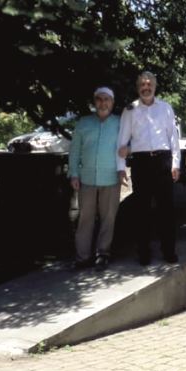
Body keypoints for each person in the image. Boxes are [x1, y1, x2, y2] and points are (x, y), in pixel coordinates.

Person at [117, 71, 180, 265]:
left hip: (163, 161)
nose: (146, 88)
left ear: (154, 86)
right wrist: (120, 168)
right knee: (141, 210)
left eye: (149, 84)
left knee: (166, 209)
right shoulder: (130, 110)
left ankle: (169, 251)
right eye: (142, 85)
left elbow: (173, 137)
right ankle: (143, 253)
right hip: (141, 162)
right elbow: (122, 141)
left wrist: (176, 163)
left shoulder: (165, 108)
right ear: (138, 87)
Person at [69, 86, 125, 271]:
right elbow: (74, 150)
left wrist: (125, 158)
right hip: (86, 179)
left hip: (111, 178)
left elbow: (130, 144)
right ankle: (82, 257)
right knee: (85, 218)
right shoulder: (83, 123)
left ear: (112, 102)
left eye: (106, 99)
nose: (103, 103)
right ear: (94, 102)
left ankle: (103, 254)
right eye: (99, 99)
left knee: (108, 218)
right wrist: (74, 173)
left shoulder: (120, 123)